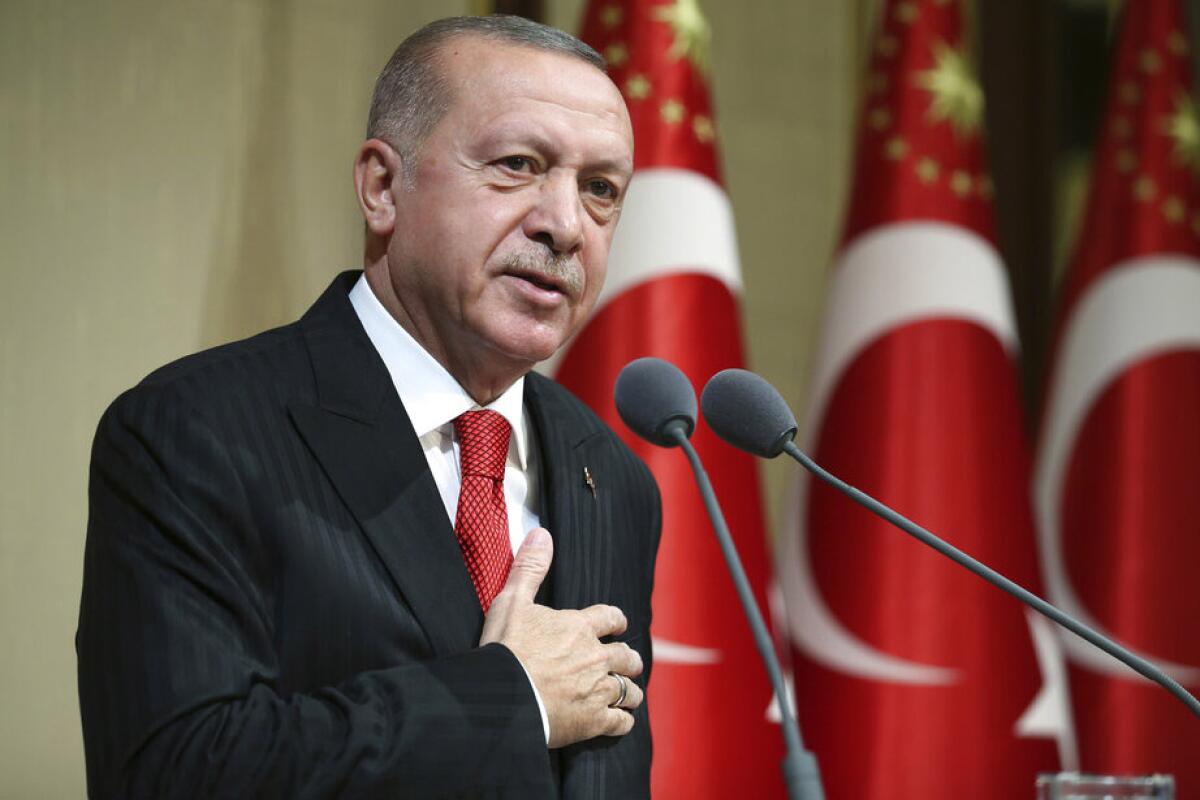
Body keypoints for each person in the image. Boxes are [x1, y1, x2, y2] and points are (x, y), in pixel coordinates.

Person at [76, 15, 661, 798]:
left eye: (600, 190)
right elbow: (174, 771)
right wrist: (507, 698)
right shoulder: (195, 434)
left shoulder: (613, 478)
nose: (565, 225)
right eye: (519, 164)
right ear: (383, 187)